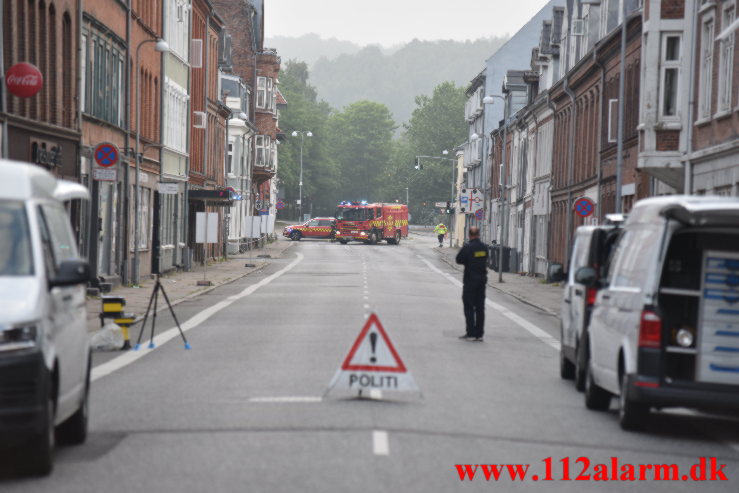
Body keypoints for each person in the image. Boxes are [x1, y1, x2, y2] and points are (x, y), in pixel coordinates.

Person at [455, 226, 487, 341]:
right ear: (478, 235)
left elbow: (458, 259)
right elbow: (486, 257)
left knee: (469, 307)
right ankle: (479, 334)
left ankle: (471, 331)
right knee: (480, 307)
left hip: (470, 280)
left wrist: (468, 261)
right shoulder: (484, 247)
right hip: (482, 280)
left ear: (469, 235)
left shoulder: (468, 248)